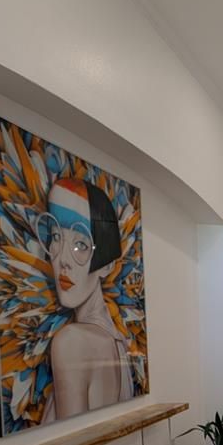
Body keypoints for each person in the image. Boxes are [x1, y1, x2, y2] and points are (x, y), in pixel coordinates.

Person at [35, 178, 134, 420]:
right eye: (56, 237)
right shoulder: (117, 342)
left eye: (80, 244)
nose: (63, 259)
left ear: (107, 264)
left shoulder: (71, 342)